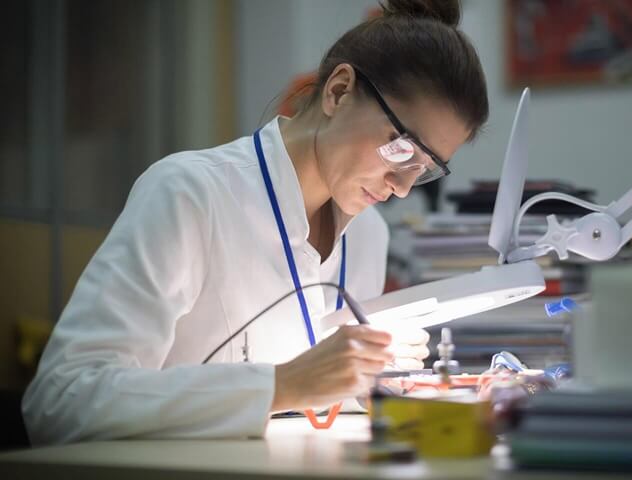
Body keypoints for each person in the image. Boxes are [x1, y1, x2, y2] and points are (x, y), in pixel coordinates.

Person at [22, 0, 488, 445]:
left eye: (424, 167)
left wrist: (367, 380)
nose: (403, 187)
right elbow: (60, 401)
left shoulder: (369, 235)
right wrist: (281, 384)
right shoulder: (190, 194)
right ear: (339, 91)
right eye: (401, 147)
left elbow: (320, 409)